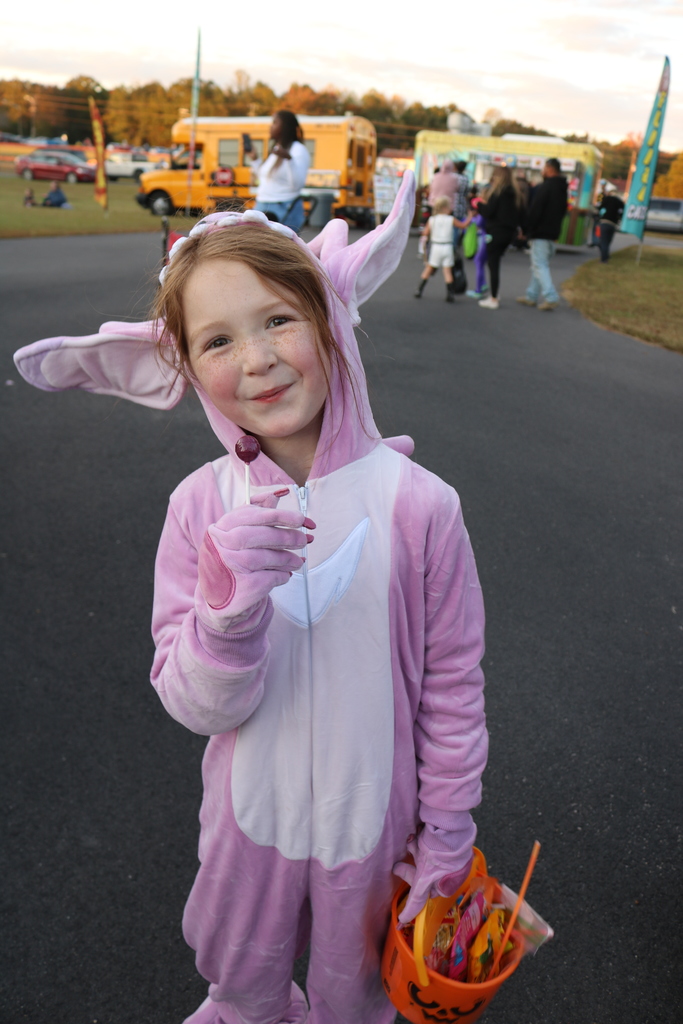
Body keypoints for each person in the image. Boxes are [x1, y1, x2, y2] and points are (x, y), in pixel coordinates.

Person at [14, 175, 488, 1024]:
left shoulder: (421, 504)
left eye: (278, 319)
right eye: (217, 341)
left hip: (375, 832)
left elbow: (452, 684)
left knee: (360, 1002)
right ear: (187, 366)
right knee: (243, 988)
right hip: (246, 831)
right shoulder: (199, 507)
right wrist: (225, 616)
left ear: (328, 318)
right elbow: (193, 705)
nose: (258, 360)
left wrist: (447, 831)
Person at [516, 158, 568, 311]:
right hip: (552, 233)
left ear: (550, 169)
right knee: (539, 265)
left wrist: (526, 230)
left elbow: (535, 210)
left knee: (539, 265)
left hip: (540, 232)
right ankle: (531, 295)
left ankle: (551, 297)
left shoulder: (545, 187)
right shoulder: (562, 188)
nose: (542, 171)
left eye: (544, 168)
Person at [245, 111, 311, 232]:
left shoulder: (298, 150)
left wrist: (289, 160)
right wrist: (254, 159)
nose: (270, 126)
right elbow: (265, 177)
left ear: (285, 127)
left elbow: (297, 185)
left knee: (276, 248)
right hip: (262, 203)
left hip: (283, 207)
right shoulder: (276, 150)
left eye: (275, 123)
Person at [476, 166, 526, 310]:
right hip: (509, 234)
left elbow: (488, 212)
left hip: (495, 232)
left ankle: (493, 298)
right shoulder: (517, 194)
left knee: (493, 264)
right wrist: (524, 231)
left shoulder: (497, 193)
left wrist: (478, 204)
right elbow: (523, 215)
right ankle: (494, 294)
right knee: (495, 262)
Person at [414, 195, 472, 301]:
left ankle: (419, 289)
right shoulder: (451, 219)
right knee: (447, 271)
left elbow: (425, 233)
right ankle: (450, 294)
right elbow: (463, 226)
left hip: (436, 246)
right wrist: (470, 217)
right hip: (447, 247)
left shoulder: (432, 219)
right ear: (445, 208)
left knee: (428, 269)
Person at [595, 184, 625, 263]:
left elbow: (599, 208)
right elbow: (623, 211)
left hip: (604, 222)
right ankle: (606, 255)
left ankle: (604, 259)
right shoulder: (619, 201)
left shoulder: (607, 199)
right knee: (608, 241)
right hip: (613, 224)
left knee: (603, 241)